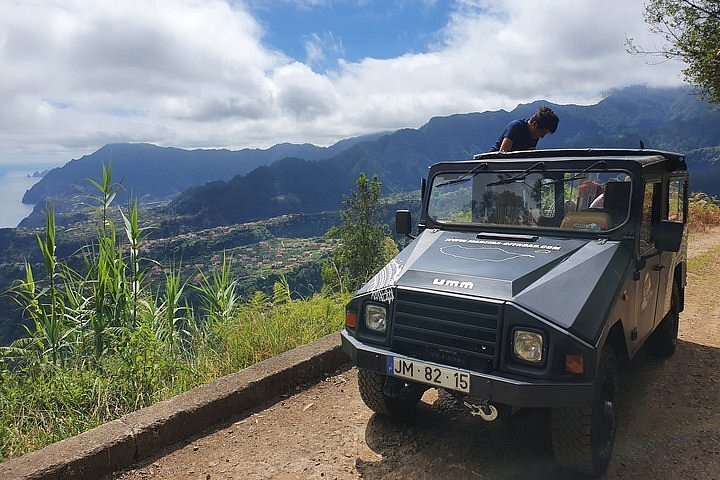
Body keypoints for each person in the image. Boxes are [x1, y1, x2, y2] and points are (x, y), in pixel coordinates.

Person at [490, 106, 559, 152]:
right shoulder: (516, 127)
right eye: (542, 132)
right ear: (534, 124)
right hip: (491, 165)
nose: (542, 137)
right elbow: (503, 153)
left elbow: (529, 156)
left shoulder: (535, 135)